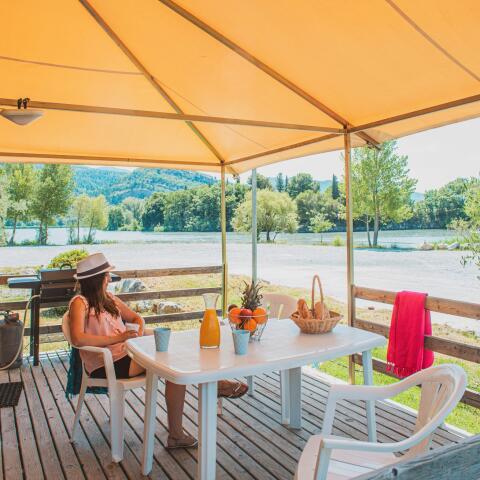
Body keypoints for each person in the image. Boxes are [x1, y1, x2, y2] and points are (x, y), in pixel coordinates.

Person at [69, 253, 247, 449]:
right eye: (106, 276)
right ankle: (214, 387)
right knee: (173, 361)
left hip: (128, 352)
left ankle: (180, 431)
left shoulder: (109, 298)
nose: (109, 279)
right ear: (96, 279)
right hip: (107, 363)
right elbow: (77, 338)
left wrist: (137, 332)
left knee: (173, 354)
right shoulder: (80, 302)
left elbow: (136, 318)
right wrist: (119, 338)